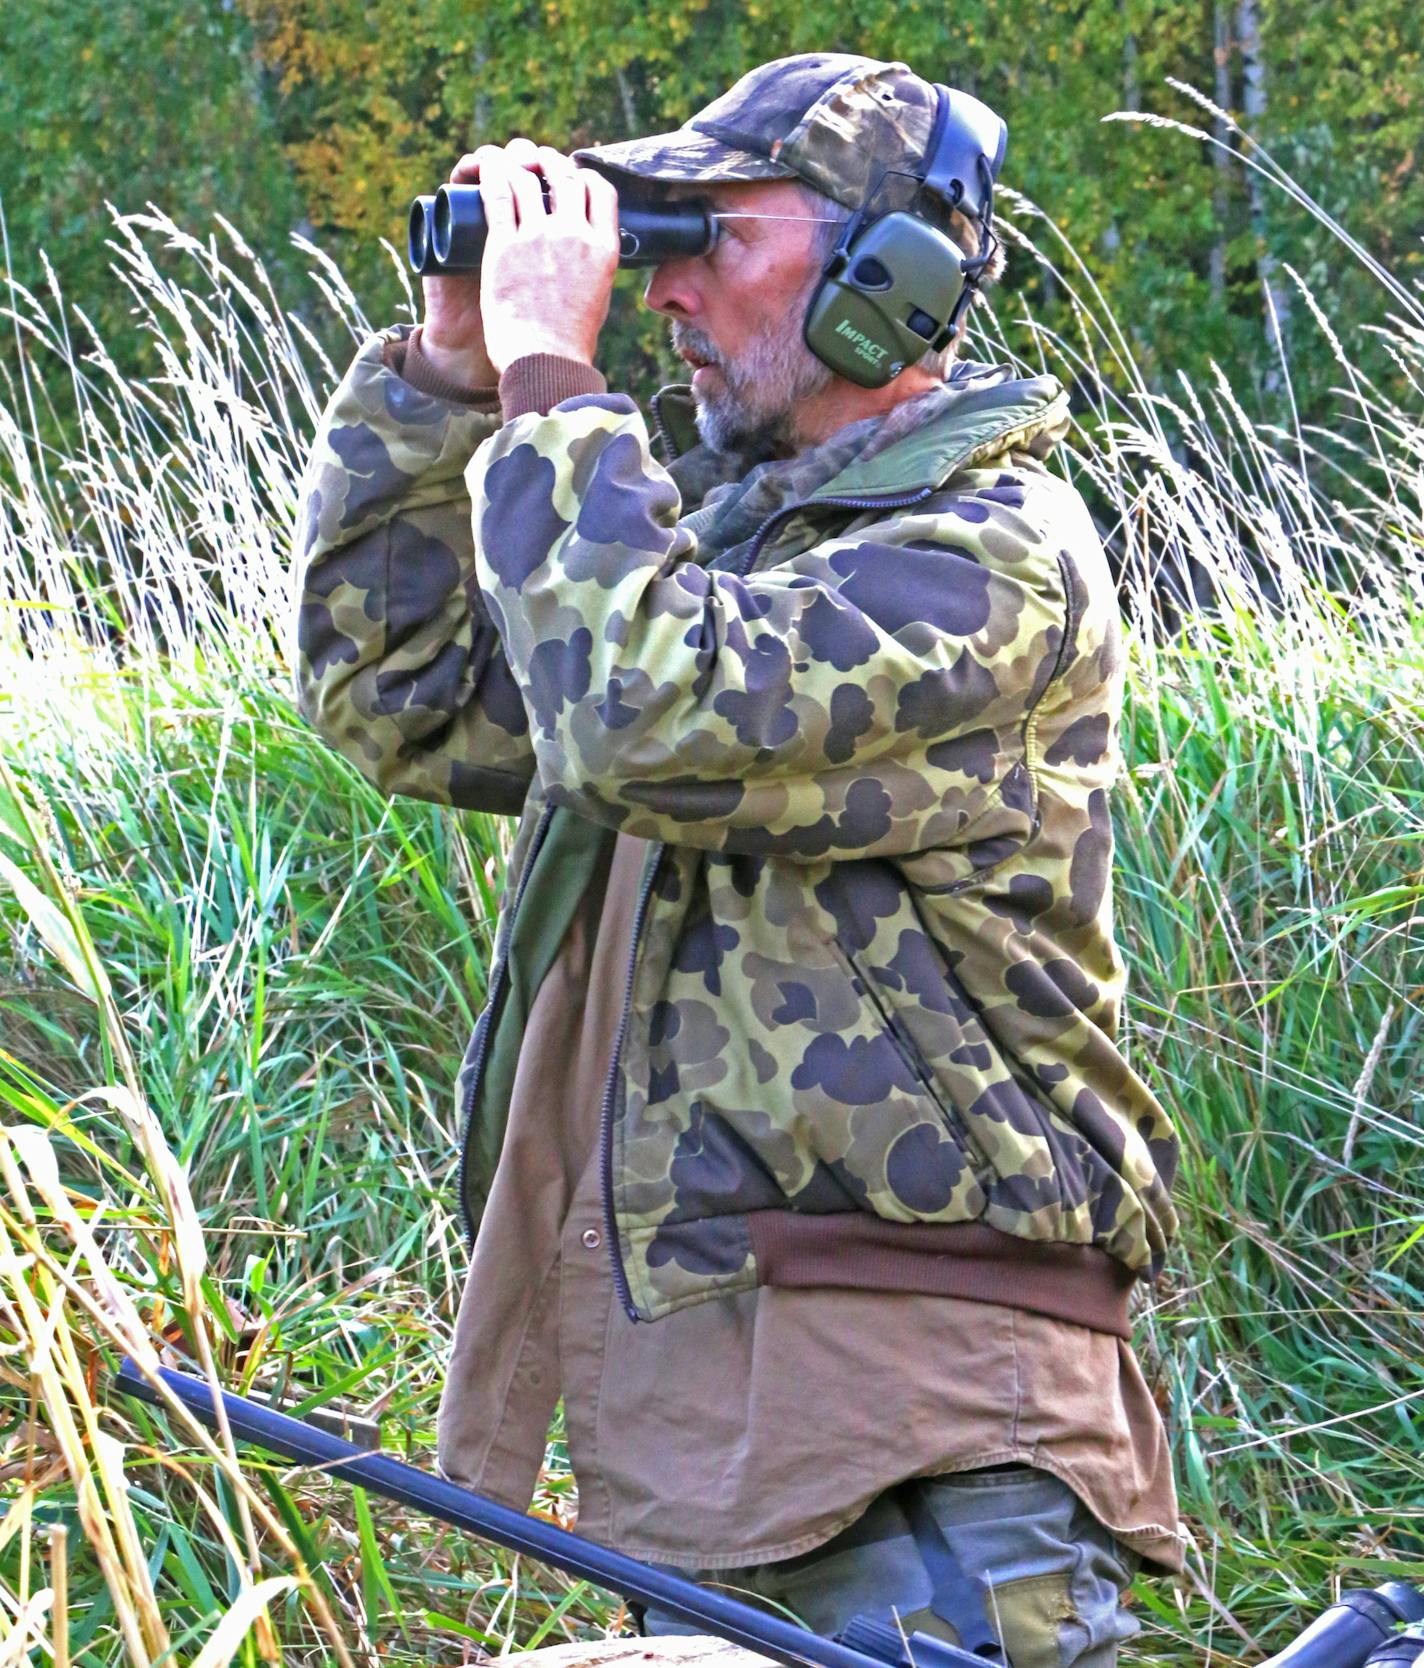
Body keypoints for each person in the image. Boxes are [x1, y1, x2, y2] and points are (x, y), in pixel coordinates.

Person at [290, 51, 1183, 1668]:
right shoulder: (701, 546)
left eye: (711, 238)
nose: (667, 291)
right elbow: (403, 700)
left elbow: (648, 710)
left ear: (884, 283)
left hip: (930, 1457)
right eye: (657, 240)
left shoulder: (997, 554)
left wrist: (558, 384)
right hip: (719, 1447)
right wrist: (449, 370)